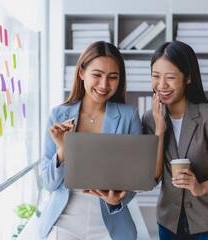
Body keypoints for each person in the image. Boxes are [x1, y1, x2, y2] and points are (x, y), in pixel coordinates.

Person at [142, 41, 208, 240]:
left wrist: (201, 188)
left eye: (170, 77)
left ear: (188, 77)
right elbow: (152, 177)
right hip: (170, 223)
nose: (161, 85)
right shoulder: (149, 119)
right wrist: (160, 130)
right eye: (156, 76)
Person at [39, 41, 142, 240]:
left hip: (110, 225)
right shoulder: (58, 115)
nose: (104, 85)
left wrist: (116, 200)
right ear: (81, 73)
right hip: (63, 222)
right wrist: (63, 149)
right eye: (97, 75)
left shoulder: (129, 116)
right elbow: (48, 183)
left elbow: (135, 179)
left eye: (113, 77)